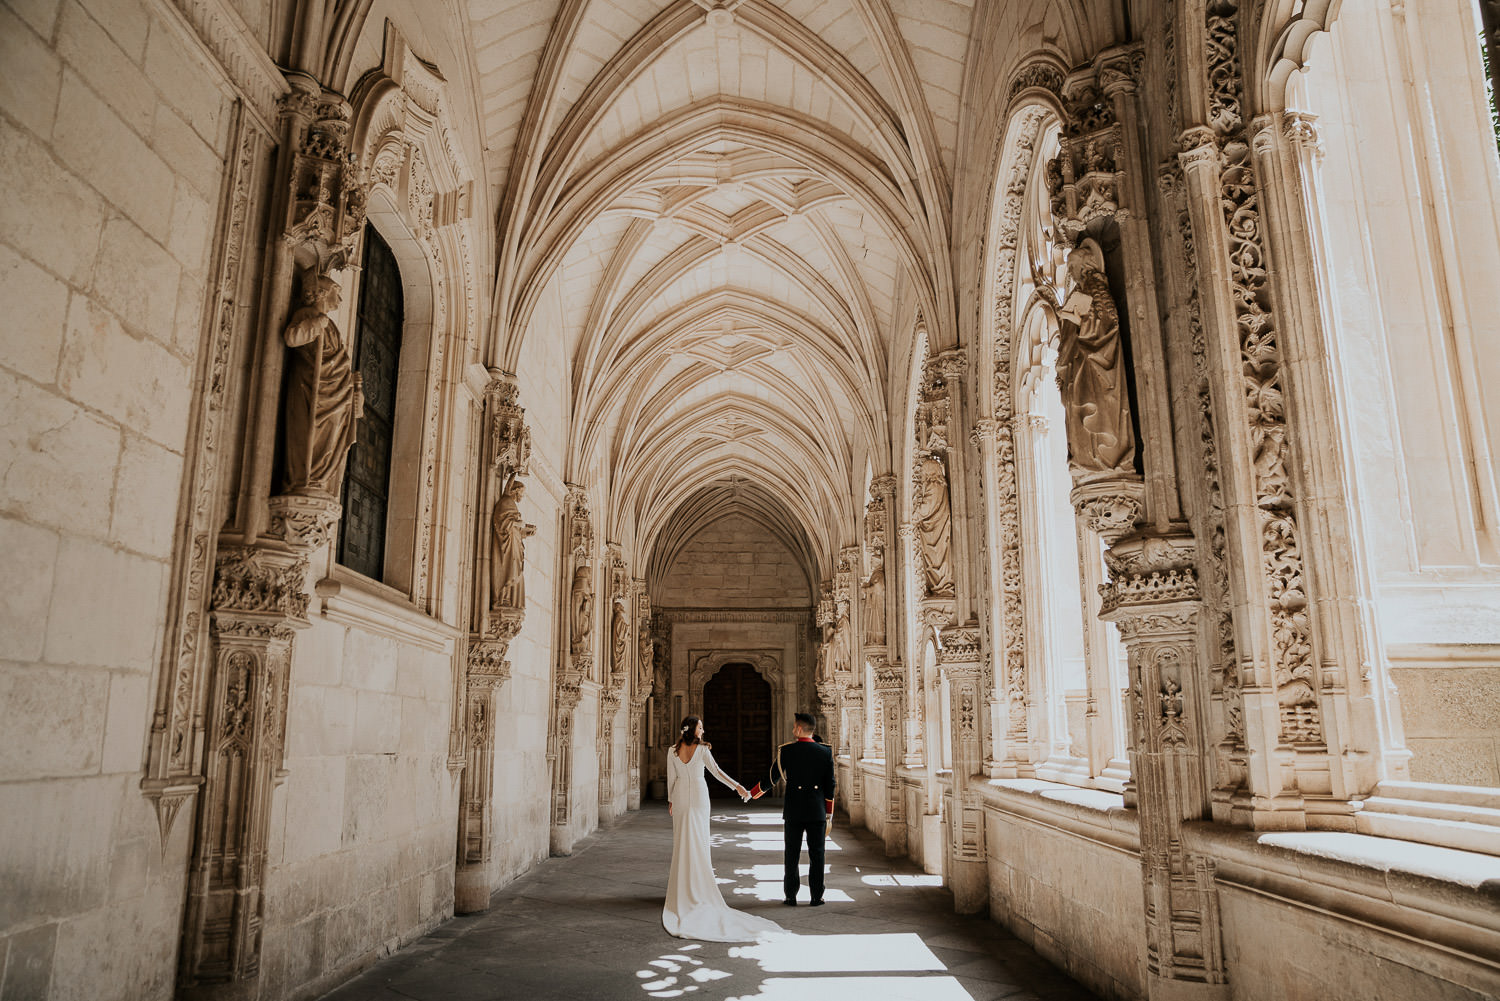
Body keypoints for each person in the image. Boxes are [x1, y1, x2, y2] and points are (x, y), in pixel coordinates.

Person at [663, 716, 783, 941]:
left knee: (681, 841)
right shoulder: (702, 750)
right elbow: (717, 773)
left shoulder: (672, 751)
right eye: (701, 727)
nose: (703, 730)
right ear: (694, 730)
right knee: (698, 841)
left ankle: (682, 890)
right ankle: (697, 889)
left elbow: (672, 778)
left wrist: (670, 799)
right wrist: (738, 787)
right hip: (698, 796)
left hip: (680, 796)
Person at [749, 712, 836, 906]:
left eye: (793, 726)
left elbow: (771, 779)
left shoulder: (786, 751)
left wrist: (752, 793)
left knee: (792, 854)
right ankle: (816, 896)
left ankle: (791, 895)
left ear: (798, 728)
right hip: (817, 810)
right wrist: (828, 811)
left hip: (794, 810)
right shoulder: (825, 752)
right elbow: (830, 785)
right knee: (817, 854)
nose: (792, 729)